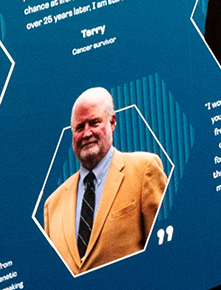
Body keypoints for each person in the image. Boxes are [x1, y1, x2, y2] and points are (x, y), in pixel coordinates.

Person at [42, 86, 168, 274]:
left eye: (94, 123)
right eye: (79, 127)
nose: (86, 133)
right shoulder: (52, 205)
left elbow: (165, 250)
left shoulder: (145, 170)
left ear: (112, 122)